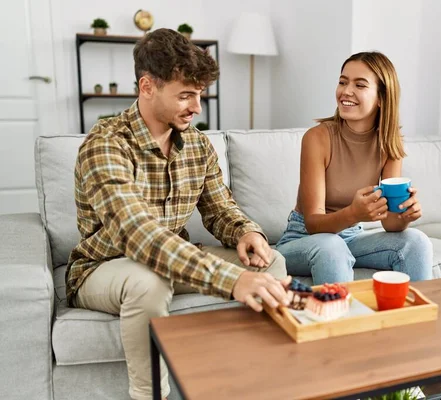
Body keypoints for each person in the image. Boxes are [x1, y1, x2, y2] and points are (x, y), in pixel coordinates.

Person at [67, 28, 289, 400]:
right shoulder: (105, 145)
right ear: (147, 87)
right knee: (147, 283)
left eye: (199, 95)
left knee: (271, 265)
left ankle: (251, 381)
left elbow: (220, 208)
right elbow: (138, 234)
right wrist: (230, 280)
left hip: (168, 258)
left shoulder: (198, 145)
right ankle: (151, 395)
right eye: (185, 95)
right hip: (104, 266)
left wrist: (246, 233)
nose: (197, 107)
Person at [276, 51, 433, 285]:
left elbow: (390, 223)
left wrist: (404, 215)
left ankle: (413, 319)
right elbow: (313, 223)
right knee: (332, 246)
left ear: (381, 97)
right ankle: (341, 320)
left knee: (416, 242)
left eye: (360, 85)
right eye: (342, 82)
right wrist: (354, 214)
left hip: (351, 237)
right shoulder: (318, 138)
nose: (346, 91)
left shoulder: (390, 143)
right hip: (305, 239)